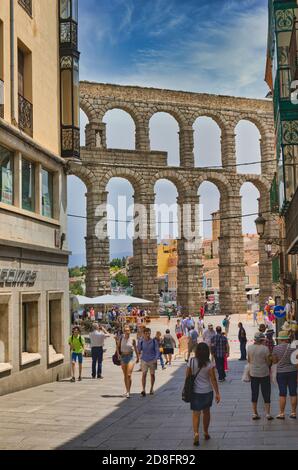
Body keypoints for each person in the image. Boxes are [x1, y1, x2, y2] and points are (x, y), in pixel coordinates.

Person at [186, 342, 220, 446]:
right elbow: (213, 379)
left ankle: (196, 433)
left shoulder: (191, 361)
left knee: (196, 413)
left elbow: (187, 376)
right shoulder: (209, 363)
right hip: (207, 391)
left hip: (195, 392)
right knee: (206, 412)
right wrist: (217, 393)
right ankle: (205, 432)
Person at [247, 332, 273, 420]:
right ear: (262, 340)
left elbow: (249, 360)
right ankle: (268, 413)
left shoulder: (249, 348)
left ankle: (254, 413)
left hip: (253, 373)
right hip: (264, 373)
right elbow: (268, 362)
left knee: (254, 392)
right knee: (266, 392)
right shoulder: (265, 349)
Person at [272, 330, 297, 419]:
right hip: (293, 372)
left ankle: (282, 413)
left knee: (282, 393)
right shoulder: (294, 348)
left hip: (281, 373)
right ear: (287, 339)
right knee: (293, 392)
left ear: (280, 339)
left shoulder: (276, 348)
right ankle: (293, 412)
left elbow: (274, 361)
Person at [116, 325, 139, 398]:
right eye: (126, 331)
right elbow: (117, 347)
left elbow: (135, 348)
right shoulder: (121, 338)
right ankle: (127, 391)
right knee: (125, 375)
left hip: (130, 357)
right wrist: (118, 354)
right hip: (123, 357)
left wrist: (138, 357)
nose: (127, 332)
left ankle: (128, 391)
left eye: (128, 330)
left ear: (130, 331)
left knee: (129, 374)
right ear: (124, 331)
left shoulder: (132, 339)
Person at [138, 328, 160, 396]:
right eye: (146, 333)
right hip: (144, 359)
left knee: (152, 374)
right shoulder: (141, 341)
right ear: (143, 334)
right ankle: (143, 389)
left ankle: (151, 388)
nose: (148, 335)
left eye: (149, 333)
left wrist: (155, 359)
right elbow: (139, 350)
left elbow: (157, 351)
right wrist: (139, 342)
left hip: (152, 360)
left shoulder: (154, 341)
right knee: (144, 374)